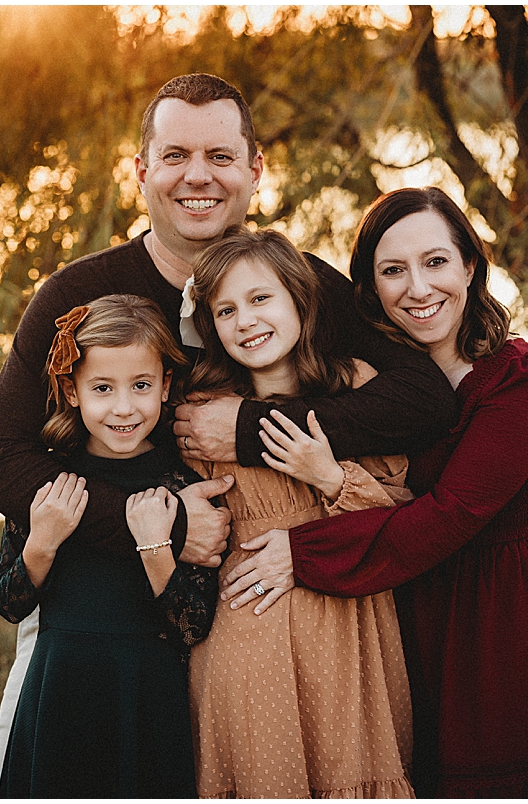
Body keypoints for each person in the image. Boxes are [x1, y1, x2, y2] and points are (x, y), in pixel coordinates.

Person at [0, 75, 455, 796]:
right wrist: (154, 526)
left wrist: (253, 429)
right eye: (176, 156)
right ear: (140, 171)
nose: (199, 176)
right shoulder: (77, 295)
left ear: (255, 171)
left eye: (221, 156)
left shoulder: (297, 286)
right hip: (99, 616)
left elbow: (422, 398)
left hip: (267, 618)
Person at [220, 187, 528, 798]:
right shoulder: (366, 384)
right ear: (369, 290)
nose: (417, 288)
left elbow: (449, 516)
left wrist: (302, 551)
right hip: (399, 600)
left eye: (436, 262)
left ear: (470, 266)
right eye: (393, 270)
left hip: (495, 610)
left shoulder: (518, 382)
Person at [183, 226, 414, 798]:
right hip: (249, 620)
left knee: (351, 763)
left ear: (299, 301)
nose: (246, 321)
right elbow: (194, 517)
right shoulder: (202, 412)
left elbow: (399, 512)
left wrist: (328, 476)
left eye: (261, 299)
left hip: (348, 625)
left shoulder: (357, 388)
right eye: (226, 310)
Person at [0, 295, 215, 797]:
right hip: (60, 688)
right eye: (102, 388)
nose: (123, 407)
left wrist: (158, 546)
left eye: (140, 385)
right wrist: (43, 543)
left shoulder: (181, 480)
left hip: (147, 694)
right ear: (72, 392)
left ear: (165, 385)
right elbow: (10, 602)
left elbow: (193, 624)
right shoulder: (47, 479)